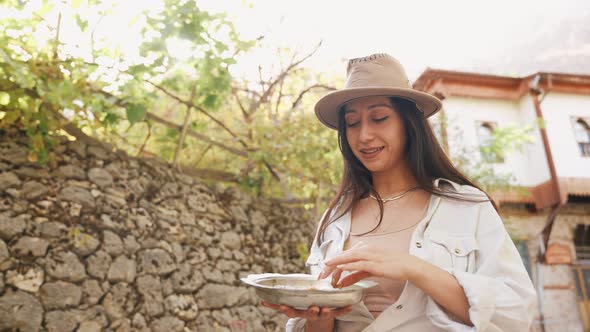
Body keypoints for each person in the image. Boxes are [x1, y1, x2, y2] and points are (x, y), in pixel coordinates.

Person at [261, 53, 537, 331]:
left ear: (409, 123)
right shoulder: (334, 219)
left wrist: (413, 268)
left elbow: (516, 314)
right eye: (352, 123)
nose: (364, 135)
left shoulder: (467, 205)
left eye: (379, 118)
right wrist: (320, 317)